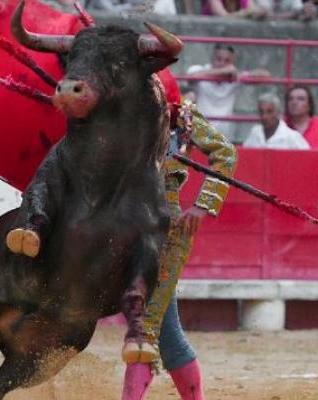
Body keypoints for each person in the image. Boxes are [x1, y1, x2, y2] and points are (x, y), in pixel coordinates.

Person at [122, 69, 238, 400]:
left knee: (146, 325)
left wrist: (203, 205)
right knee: (166, 331)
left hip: (164, 230)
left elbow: (225, 153)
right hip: (119, 223)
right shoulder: (116, 111)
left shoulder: (179, 112)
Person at [186, 45, 269, 142]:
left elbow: (265, 75)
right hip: (199, 134)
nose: (222, 63)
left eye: (227, 61)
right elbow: (191, 78)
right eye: (219, 59)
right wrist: (222, 71)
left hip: (222, 138)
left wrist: (239, 74)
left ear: (232, 62)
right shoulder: (200, 69)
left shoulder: (234, 76)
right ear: (212, 59)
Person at [243, 92, 309, 149]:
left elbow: (307, 158)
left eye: (269, 112)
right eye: (261, 112)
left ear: (278, 112)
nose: (264, 116)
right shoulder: (255, 132)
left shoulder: (292, 137)